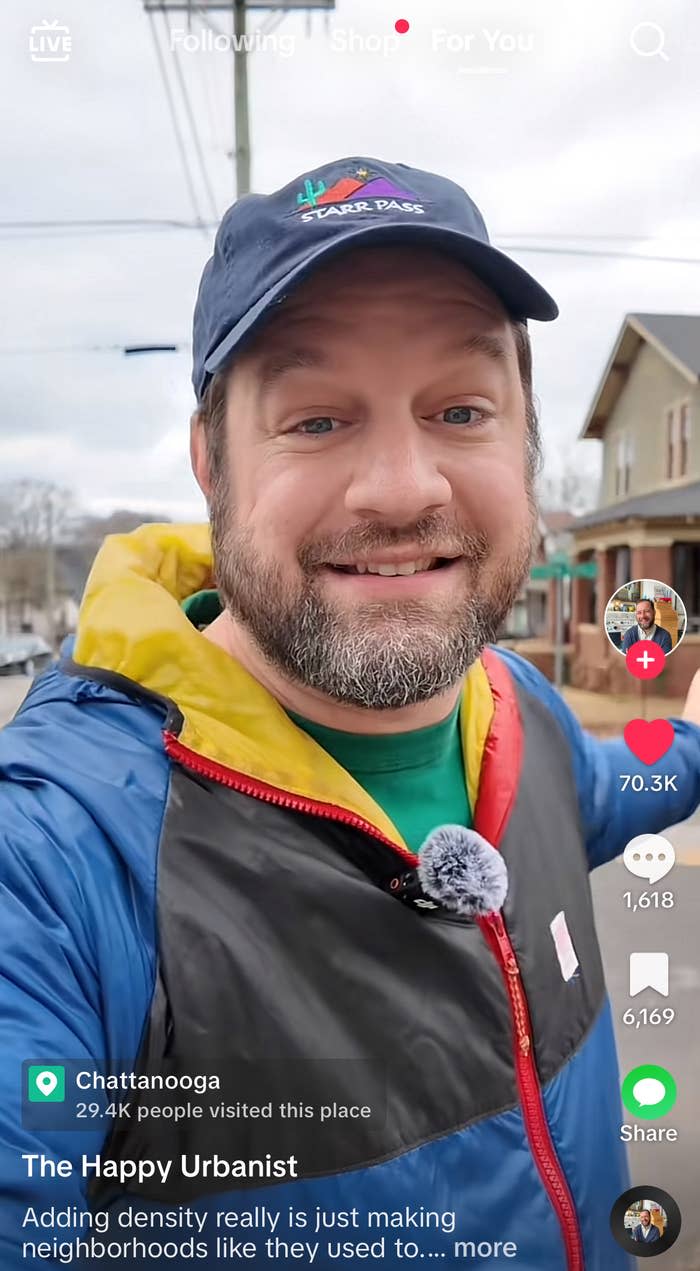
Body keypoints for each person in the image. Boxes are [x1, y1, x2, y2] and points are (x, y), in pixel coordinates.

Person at [1, 156, 699, 1271]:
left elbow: (629, 786)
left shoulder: (517, 710)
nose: (402, 487)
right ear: (209, 465)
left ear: (522, 448)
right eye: (316, 418)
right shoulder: (59, 853)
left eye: (460, 409)